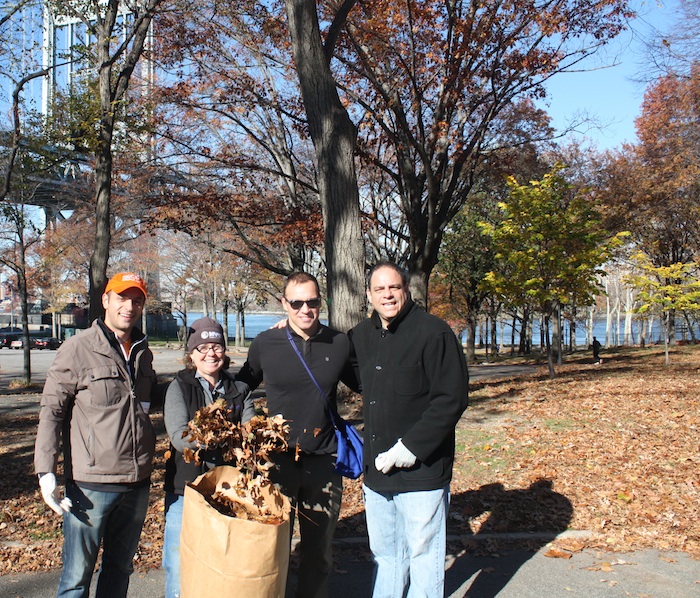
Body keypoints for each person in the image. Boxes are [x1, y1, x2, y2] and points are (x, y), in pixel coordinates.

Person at [348, 261, 469, 598]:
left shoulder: (434, 333)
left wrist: (410, 448)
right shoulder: (360, 336)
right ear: (369, 295)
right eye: (379, 289)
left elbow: (452, 399)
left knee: (423, 556)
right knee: (387, 557)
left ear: (406, 289)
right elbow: (343, 369)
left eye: (394, 287)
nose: (387, 294)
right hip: (377, 474)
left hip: (422, 472)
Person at [34, 272, 157, 598]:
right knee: (76, 578)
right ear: (106, 300)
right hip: (91, 486)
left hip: (137, 483)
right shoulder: (78, 349)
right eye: (121, 298)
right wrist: (46, 470)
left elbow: (142, 403)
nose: (128, 306)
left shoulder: (143, 351)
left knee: (119, 571)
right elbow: (51, 411)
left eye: (136, 300)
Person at [236, 272, 358, 598]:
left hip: (323, 462)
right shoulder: (265, 343)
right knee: (273, 549)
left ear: (321, 301)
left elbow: (368, 382)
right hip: (277, 463)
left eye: (313, 301)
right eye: (297, 302)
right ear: (284, 303)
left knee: (318, 554)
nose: (305, 309)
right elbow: (238, 389)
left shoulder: (340, 342)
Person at [162, 317, 254, 598]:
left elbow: (250, 434)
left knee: (224, 565)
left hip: (229, 490)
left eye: (216, 346)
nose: (210, 353)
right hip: (186, 490)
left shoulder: (240, 390)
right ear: (191, 353)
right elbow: (179, 437)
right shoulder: (179, 387)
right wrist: (220, 439)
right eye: (202, 347)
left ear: (224, 352)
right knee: (180, 566)